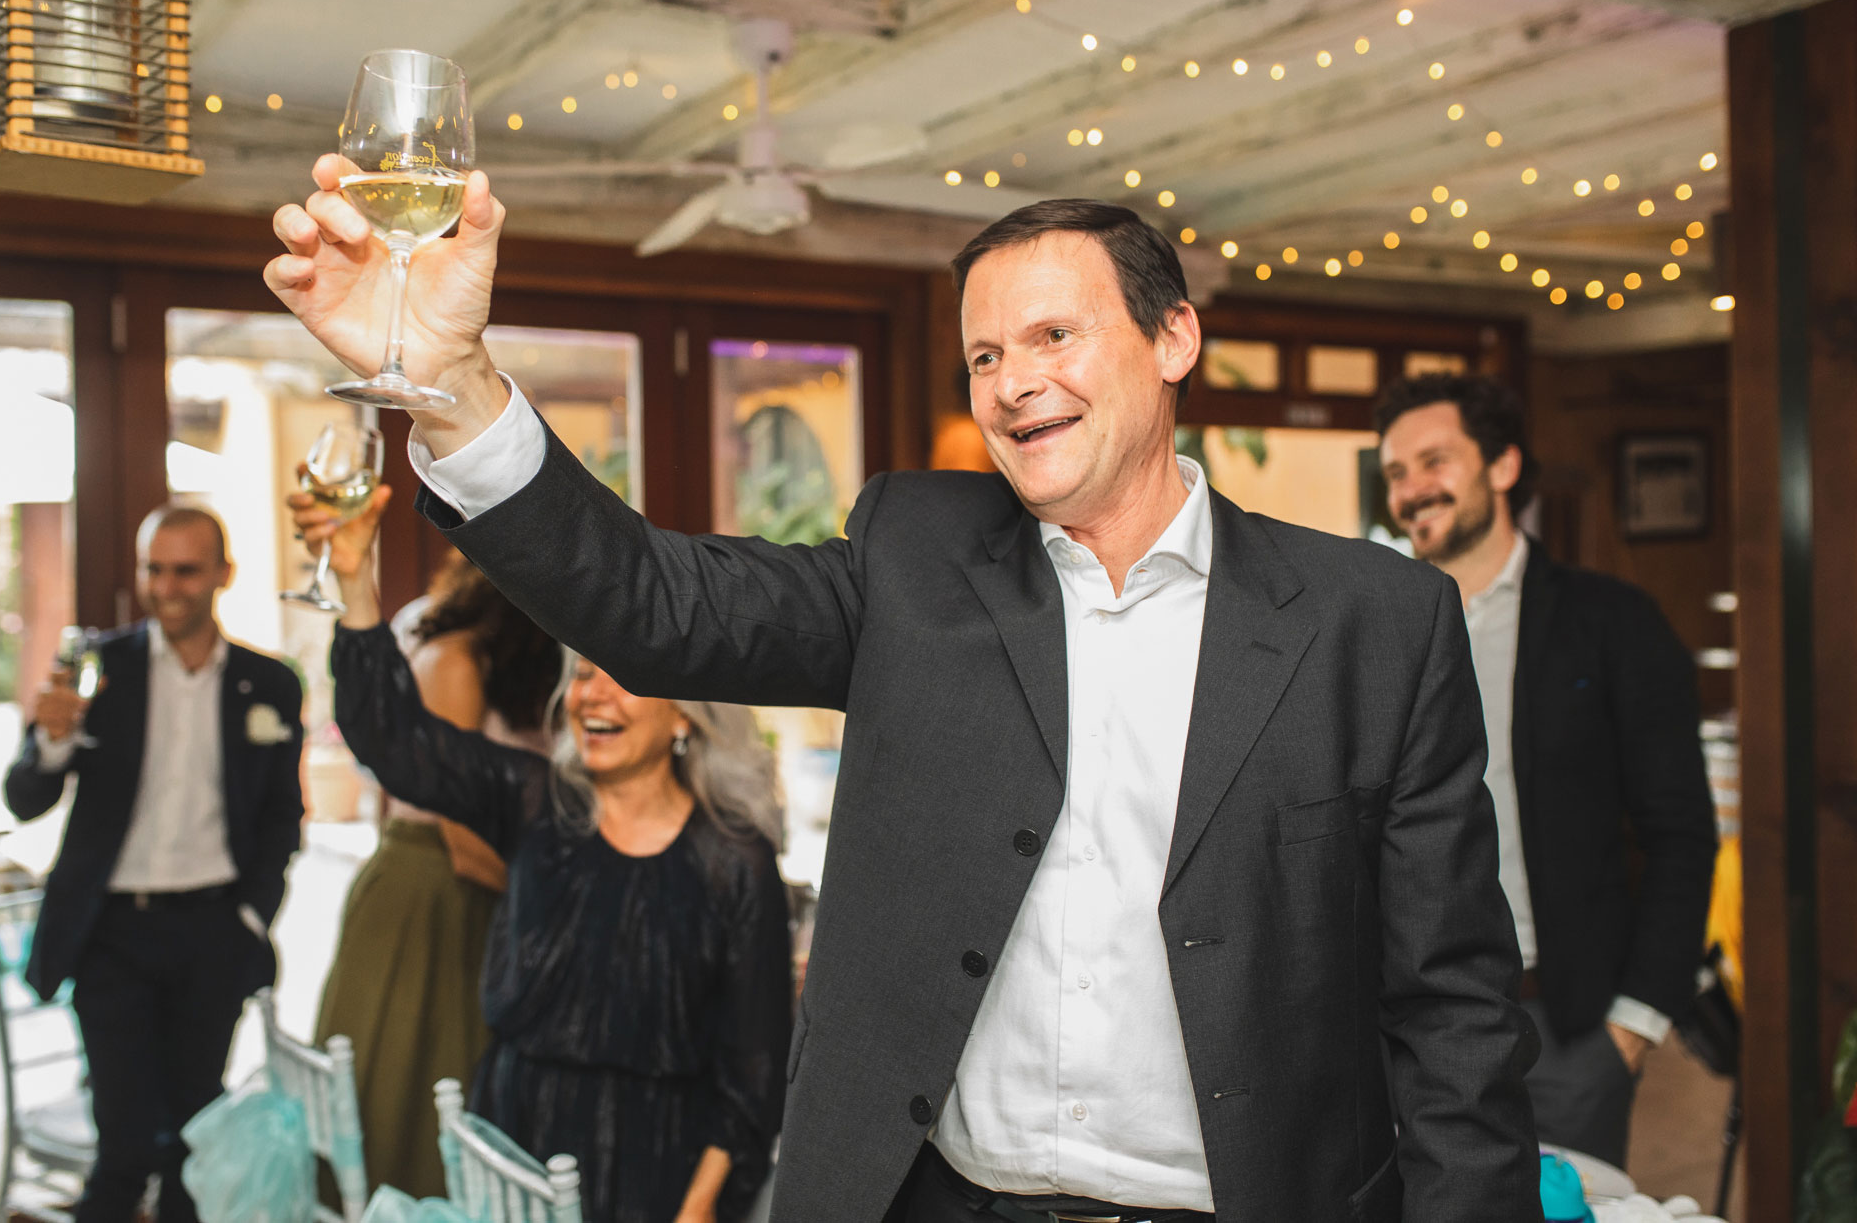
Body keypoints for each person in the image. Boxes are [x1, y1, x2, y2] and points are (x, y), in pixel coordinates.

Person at [267, 169, 1540, 1222]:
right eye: (985, 352)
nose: (1010, 380)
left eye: (1053, 334)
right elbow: (656, 605)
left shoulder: (1373, 621)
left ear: (1170, 339)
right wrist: (450, 380)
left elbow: (1453, 1012)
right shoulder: (915, 559)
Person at [291, 482, 793, 1223]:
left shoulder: (734, 860)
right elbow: (394, 736)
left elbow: (753, 1071)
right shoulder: (534, 804)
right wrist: (354, 576)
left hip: (658, 1169)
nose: (592, 696)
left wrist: (698, 1205)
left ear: (686, 709)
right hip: (514, 1154)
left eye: (622, 677)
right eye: (583, 671)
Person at [1376, 373, 1716, 1167]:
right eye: (1395, 471)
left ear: (1501, 467)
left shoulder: (1614, 622)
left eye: (1434, 460)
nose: (1412, 488)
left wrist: (1634, 1022)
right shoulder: (1375, 628)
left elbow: (1680, 832)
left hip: (1566, 1027)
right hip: (1409, 1028)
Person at [4, 505, 305, 1223]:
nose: (165, 586)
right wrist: (51, 740)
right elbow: (23, 796)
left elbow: (281, 817)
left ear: (222, 576)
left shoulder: (269, 684)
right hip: (112, 935)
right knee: (125, 1146)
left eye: (185, 569)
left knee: (194, 1144)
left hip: (214, 932)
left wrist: (250, 914)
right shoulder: (97, 667)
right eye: (153, 569)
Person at [311, 542, 564, 1199]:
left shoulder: (514, 666)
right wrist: (568, 908)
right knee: (414, 1092)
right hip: (433, 896)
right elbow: (462, 832)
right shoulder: (454, 658)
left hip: (467, 895)